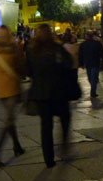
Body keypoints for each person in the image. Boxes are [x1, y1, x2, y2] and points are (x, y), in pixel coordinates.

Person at [26, 24, 73, 168]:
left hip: (41, 94)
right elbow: (69, 63)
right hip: (58, 92)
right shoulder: (57, 48)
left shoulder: (32, 51)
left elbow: (28, 71)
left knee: (46, 127)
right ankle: (64, 144)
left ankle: (49, 159)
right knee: (65, 118)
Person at [0, 26, 25, 167]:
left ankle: (17, 147)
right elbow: (21, 66)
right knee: (8, 120)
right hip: (12, 88)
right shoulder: (14, 48)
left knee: (10, 118)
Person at [79, 30, 103, 98]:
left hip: (88, 63)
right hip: (95, 63)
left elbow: (80, 55)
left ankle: (92, 92)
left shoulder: (83, 44)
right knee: (93, 78)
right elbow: (102, 53)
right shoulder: (97, 43)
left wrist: (81, 63)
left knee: (91, 78)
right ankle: (93, 90)